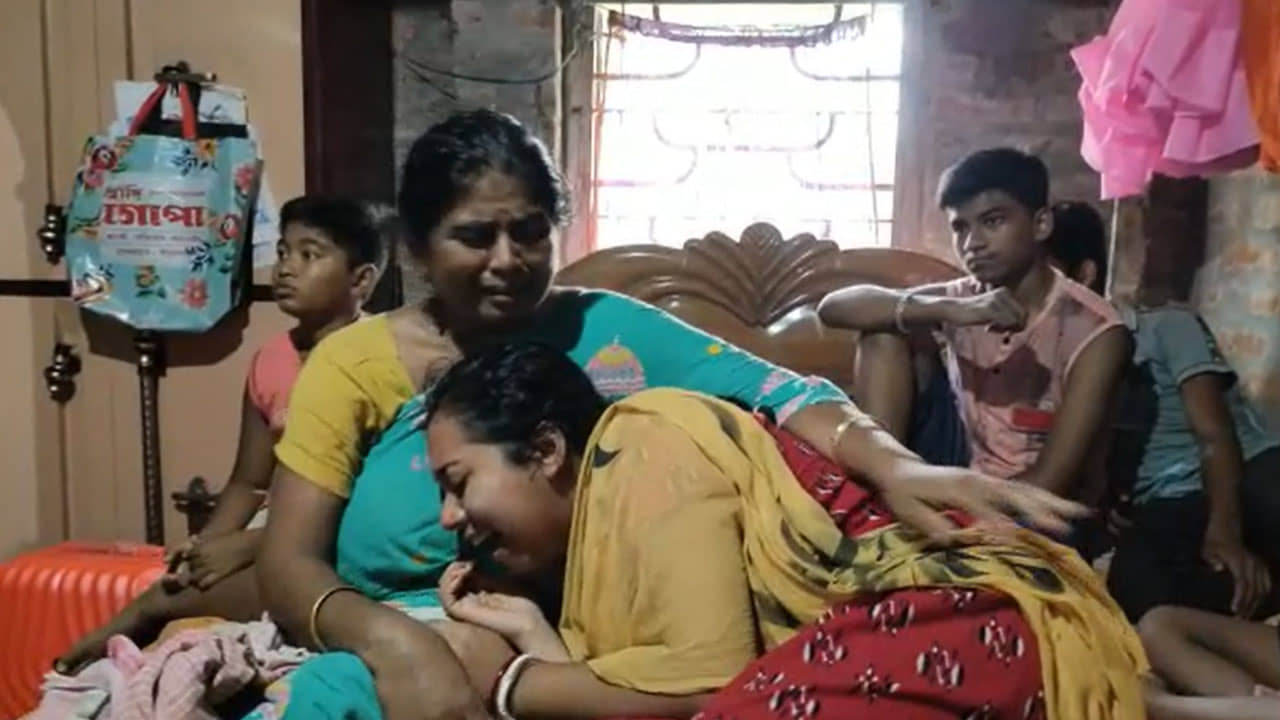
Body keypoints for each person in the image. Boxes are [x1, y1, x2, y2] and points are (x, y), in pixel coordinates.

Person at [254, 112, 1085, 720]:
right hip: (381, 638)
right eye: (475, 237)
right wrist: (400, 647)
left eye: (530, 232)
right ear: (418, 246)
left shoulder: (608, 332)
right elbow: (288, 563)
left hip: (584, 649)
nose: (508, 261)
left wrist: (895, 464)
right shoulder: (356, 365)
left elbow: (788, 393)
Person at [424, 341, 1277, 720]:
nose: (449, 519)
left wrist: (505, 685)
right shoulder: (598, 552)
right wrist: (532, 632)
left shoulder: (645, 439)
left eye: (459, 484)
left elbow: (702, 679)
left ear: (546, 450)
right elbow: (644, 691)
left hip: (954, 604)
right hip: (896, 630)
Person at [52, 195, 386, 674]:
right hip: (278, 524)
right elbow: (250, 481)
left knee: (169, 603)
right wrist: (207, 544)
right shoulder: (271, 360)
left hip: (345, 532)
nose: (286, 267)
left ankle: (135, 619)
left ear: (361, 281)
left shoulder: (381, 359)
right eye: (284, 252)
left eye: (309, 255)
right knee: (183, 590)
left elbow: (371, 501)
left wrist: (250, 546)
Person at [818, 149, 1131, 512]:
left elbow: (1053, 482)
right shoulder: (962, 297)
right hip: (949, 465)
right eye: (960, 227)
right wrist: (953, 309)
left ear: (1041, 224)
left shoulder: (1095, 329)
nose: (972, 244)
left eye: (992, 221)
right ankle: (878, 496)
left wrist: (951, 510)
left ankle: (901, 508)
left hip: (1034, 502)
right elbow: (834, 307)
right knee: (882, 332)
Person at [1106, 302, 1280, 622]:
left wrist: (1225, 529)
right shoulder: (1070, 355)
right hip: (1171, 499)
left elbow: (1214, 435)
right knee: (1137, 585)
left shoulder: (1166, 326)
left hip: (1242, 467)